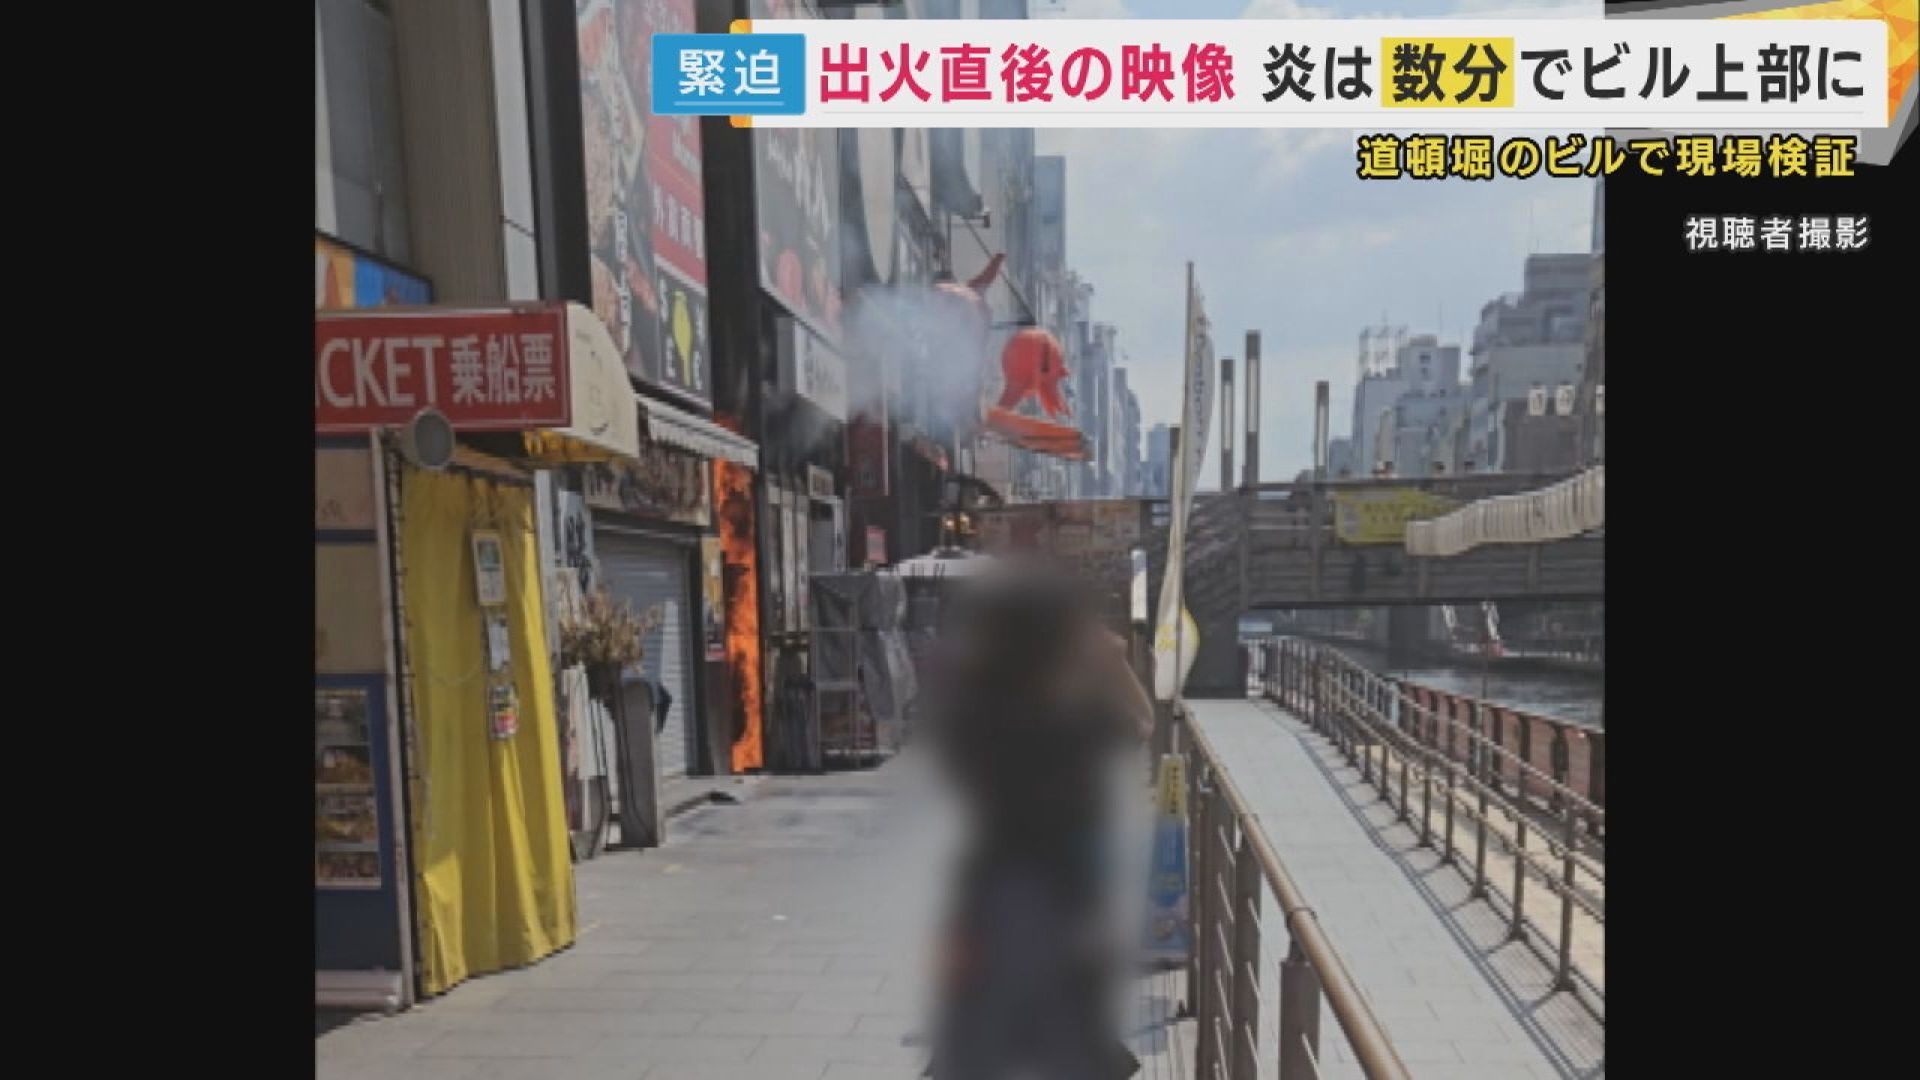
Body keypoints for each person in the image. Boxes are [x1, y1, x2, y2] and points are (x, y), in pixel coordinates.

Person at [923, 559, 1152, 1079]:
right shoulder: (1072, 716)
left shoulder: (979, 710)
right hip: (1056, 886)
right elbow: (1143, 722)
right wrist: (1115, 664)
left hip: (992, 882)